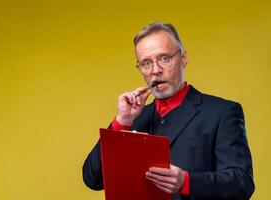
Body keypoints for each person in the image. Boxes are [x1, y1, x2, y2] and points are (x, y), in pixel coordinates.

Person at [82, 22, 255, 200]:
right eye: (146, 63)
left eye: (164, 58)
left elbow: (241, 184)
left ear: (183, 58)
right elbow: (92, 178)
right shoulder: (133, 119)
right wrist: (122, 122)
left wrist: (187, 182)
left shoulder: (222, 112)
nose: (155, 70)